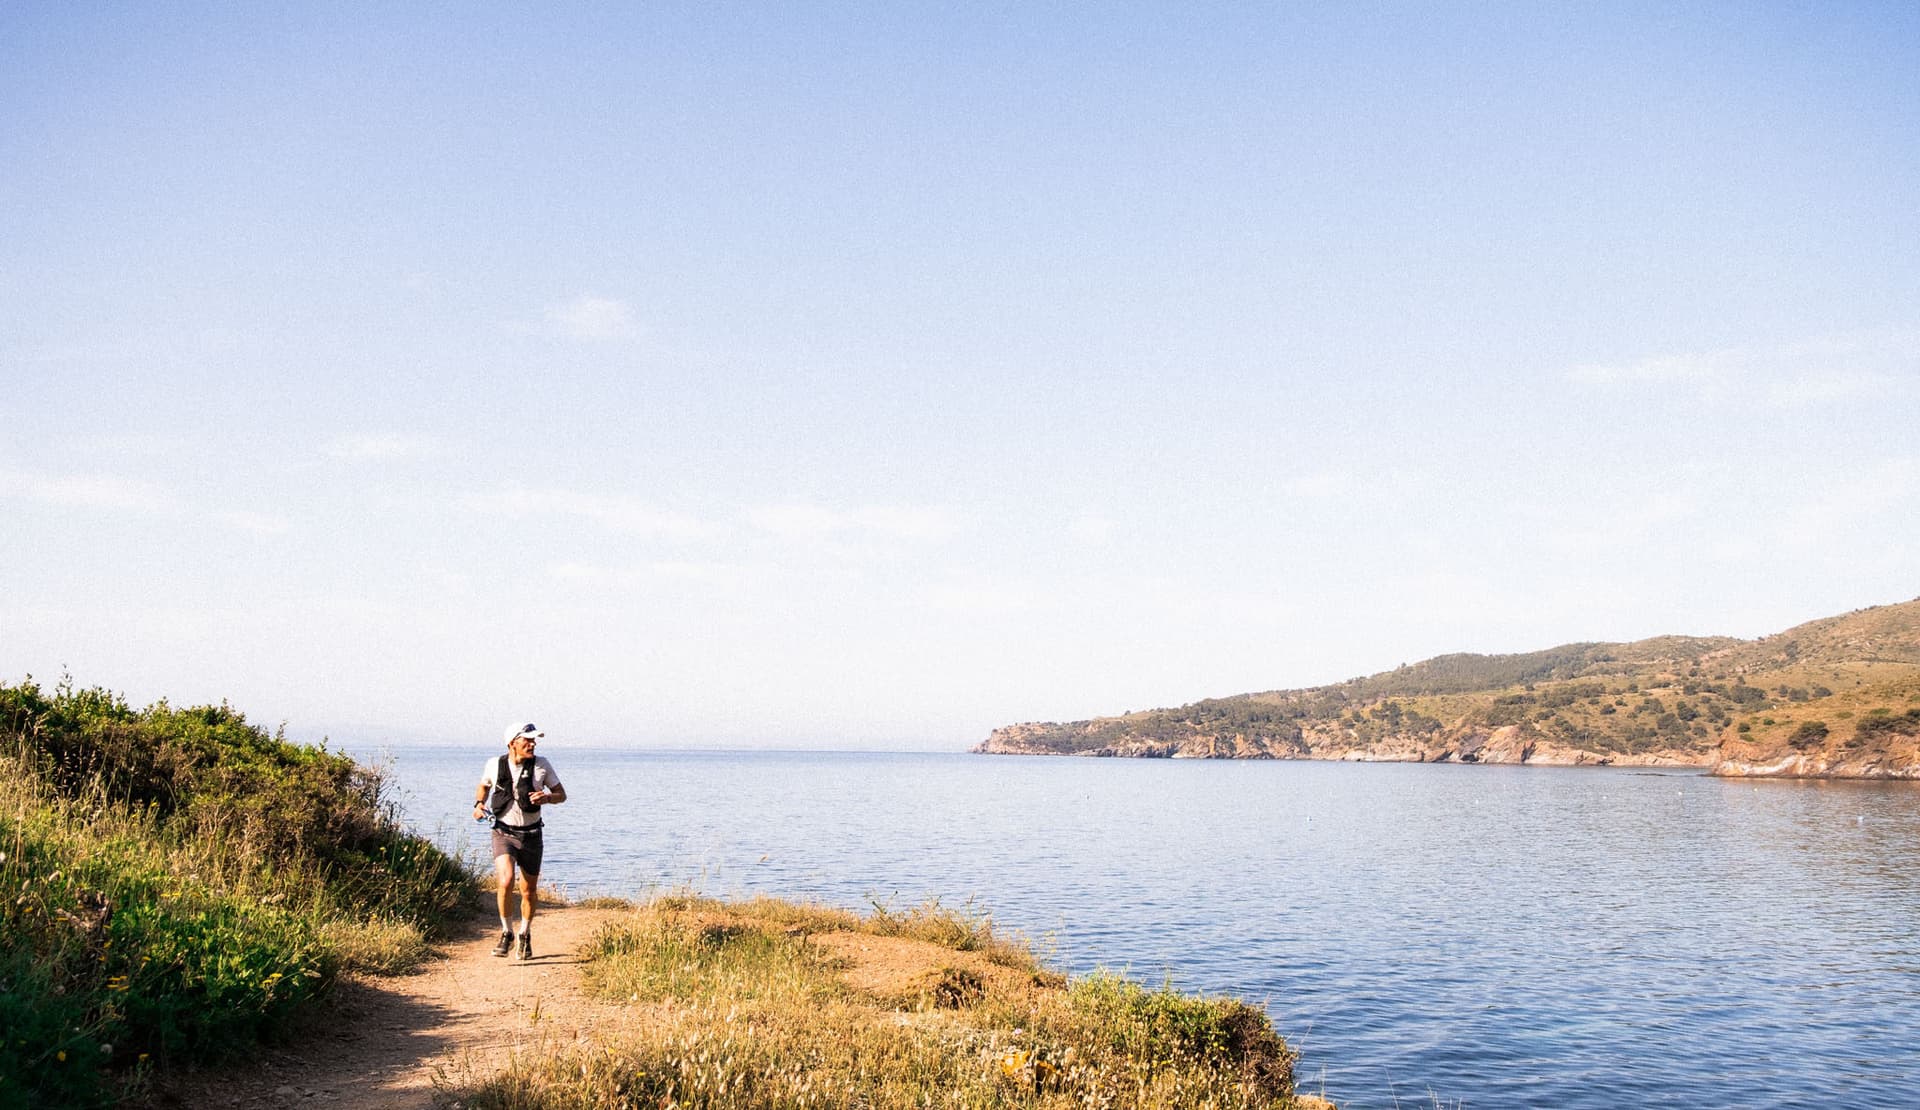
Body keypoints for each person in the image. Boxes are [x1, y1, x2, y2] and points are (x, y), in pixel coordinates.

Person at [472, 721, 566, 959]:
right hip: (503, 832)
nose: (532, 744)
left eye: (534, 740)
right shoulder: (494, 765)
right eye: (528, 740)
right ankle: (506, 933)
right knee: (504, 882)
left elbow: (561, 795)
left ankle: (524, 934)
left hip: (532, 835)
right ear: (512, 742)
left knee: (528, 890)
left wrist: (547, 798)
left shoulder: (542, 766)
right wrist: (478, 804)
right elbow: (483, 786)